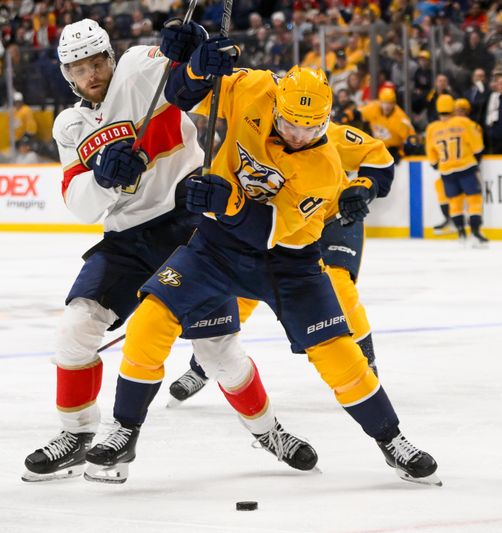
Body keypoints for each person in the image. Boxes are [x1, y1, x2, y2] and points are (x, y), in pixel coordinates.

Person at [83, 32, 440, 487]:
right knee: (152, 319)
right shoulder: (253, 88)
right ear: (276, 104)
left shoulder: (325, 167)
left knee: (336, 352)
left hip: (287, 261)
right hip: (214, 249)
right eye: (291, 124)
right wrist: (197, 64)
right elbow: (180, 95)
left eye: (311, 128)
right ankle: (124, 431)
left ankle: (391, 440)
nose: (298, 135)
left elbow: (267, 230)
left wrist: (225, 201)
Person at [22, 19, 316, 483]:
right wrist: (100, 178)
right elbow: (78, 205)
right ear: (67, 75)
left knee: (217, 350)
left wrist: (193, 43)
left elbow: (185, 74)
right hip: (125, 239)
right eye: (79, 69)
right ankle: (77, 436)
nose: (91, 74)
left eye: (97, 62)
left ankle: (268, 431)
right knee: (77, 327)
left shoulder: (141, 68)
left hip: (187, 227)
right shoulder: (70, 125)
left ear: (110, 58)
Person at [169, 123, 394, 404]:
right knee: (238, 292)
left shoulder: (332, 136)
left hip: (334, 219)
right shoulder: (257, 132)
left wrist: (363, 188)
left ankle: (365, 365)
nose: (298, 131)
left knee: (339, 287)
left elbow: (378, 156)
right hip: (282, 229)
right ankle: (203, 366)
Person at [425, 95, 487, 246]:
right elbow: (477, 146)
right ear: (452, 107)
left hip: (446, 170)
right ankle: (476, 233)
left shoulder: (432, 128)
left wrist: (435, 163)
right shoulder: (463, 122)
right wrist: (476, 154)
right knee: (474, 199)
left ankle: (461, 234)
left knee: (454, 202)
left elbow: (431, 153)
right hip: (465, 166)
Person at [359, 87, 416, 164]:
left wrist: (401, 153)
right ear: (380, 102)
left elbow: (411, 139)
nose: (387, 106)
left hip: (393, 149)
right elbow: (357, 113)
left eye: (390, 103)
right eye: (384, 102)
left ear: (394, 103)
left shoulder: (401, 119)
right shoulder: (373, 108)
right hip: (376, 147)